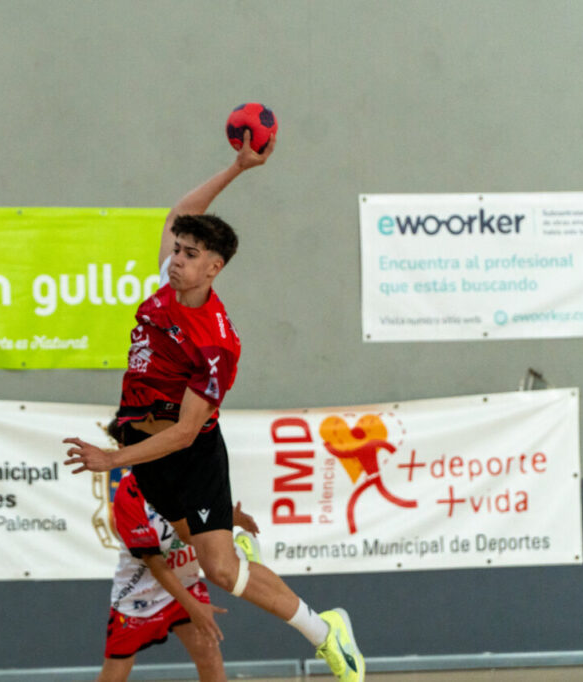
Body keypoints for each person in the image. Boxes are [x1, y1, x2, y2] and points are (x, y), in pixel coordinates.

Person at [65, 131, 365, 682]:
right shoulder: (166, 287)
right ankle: (230, 532)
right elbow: (182, 211)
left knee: (221, 570)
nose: (176, 260)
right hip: (147, 452)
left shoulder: (216, 344)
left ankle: (326, 633)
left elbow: (185, 433)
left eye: (190, 255)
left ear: (214, 268)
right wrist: (238, 167)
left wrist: (112, 460)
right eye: (177, 250)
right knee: (203, 543)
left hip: (188, 454)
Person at [98, 418, 262, 682]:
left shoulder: (184, 474)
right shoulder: (128, 493)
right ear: (123, 448)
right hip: (139, 596)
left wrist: (230, 518)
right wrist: (193, 606)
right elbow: (154, 560)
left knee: (209, 658)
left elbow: (203, 515)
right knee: (114, 675)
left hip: (186, 584)